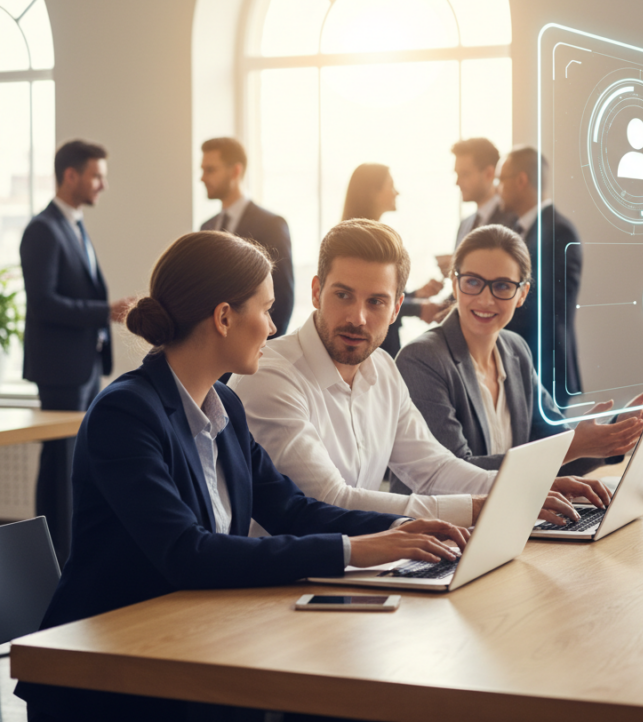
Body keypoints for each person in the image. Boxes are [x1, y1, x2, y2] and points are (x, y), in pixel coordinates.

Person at [15, 231, 466, 722]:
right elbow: (187, 553)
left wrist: (398, 533)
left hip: (198, 641)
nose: (273, 328)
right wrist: (356, 550)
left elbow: (292, 509)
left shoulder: (224, 403)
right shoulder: (125, 413)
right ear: (224, 317)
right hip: (113, 675)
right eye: (267, 309)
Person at [230, 219, 610, 530]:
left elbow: (434, 469)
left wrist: (521, 489)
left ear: (397, 308)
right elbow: (330, 500)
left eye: (376, 301)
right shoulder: (271, 375)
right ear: (316, 292)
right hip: (274, 590)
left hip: (356, 570)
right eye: (343, 295)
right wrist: (478, 508)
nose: (357, 318)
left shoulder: (383, 369)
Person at [396, 224, 643, 488]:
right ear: (455, 283)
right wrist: (571, 447)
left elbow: (554, 448)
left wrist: (613, 433)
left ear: (521, 294)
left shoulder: (516, 351)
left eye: (502, 286)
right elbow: (453, 475)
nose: (486, 300)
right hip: (443, 527)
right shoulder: (421, 359)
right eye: (473, 282)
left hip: (511, 518)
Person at [19, 140, 135, 565]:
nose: (103, 184)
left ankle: (69, 553)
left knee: (73, 466)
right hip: (61, 370)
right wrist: (106, 312)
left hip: (85, 366)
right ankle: (49, 558)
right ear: (71, 175)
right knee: (59, 466)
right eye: (96, 175)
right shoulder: (43, 229)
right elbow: (44, 302)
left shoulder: (75, 225)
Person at [498, 146, 583, 397]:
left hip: (544, 369)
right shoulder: (518, 228)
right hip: (523, 365)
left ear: (521, 180)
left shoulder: (558, 232)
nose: (497, 188)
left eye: (500, 180)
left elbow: (544, 306)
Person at [341, 163, 444, 357]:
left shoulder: (378, 237)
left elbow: (379, 297)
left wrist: (415, 294)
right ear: (373, 191)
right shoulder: (358, 243)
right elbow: (368, 301)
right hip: (372, 346)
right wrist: (418, 307)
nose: (397, 192)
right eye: (391, 185)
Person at [199, 137, 294, 336]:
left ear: (235, 171)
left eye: (210, 170)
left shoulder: (271, 225)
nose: (202, 178)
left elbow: (283, 296)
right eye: (203, 170)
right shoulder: (206, 227)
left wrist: (267, 352)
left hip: (255, 347)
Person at [436, 138, 518, 276]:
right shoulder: (465, 224)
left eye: (464, 174)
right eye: (457, 174)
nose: (457, 182)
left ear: (489, 174)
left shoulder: (513, 221)